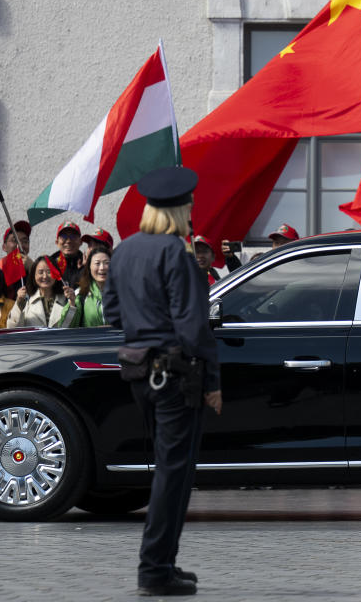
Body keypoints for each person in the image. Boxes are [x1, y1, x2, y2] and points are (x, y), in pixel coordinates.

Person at [103, 165, 222, 597]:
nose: (191, 212)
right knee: (175, 474)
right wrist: (213, 380)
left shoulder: (125, 251)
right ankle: (155, 569)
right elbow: (194, 329)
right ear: (178, 210)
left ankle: (164, 564)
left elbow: (112, 314)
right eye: (188, 206)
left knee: (166, 471)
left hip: (139, 373)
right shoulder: (176, 253)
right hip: (175, 376)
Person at [6, 256, 78, 328]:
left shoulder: (66, 299)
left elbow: (70, 328)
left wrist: (72, 303)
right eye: (40, 272)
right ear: (34, 275)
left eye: (49, 272)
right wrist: (19, 303)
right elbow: (12, 328)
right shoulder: (26, 300)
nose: (45, 276)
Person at [65, 246, 111, 327]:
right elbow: (65, 326)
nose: (102, 268)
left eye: (106, 263)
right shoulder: (80, 294)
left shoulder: (124, 293)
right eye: (97, 263)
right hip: (91, 340)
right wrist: (72, 305)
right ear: (89, 267)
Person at [0, 221, 33, 300]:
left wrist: (33, 268)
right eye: (15, 241)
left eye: (25, 241)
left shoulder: (34, 268)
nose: (20, 245)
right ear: (4, 247)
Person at [50, 221, 85, 287]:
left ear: (80, 242)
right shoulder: (50, 264)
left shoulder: (88, 263)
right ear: (57, 242)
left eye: (73, 236)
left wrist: (84, 270)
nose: (68, 241)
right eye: (64, 236)